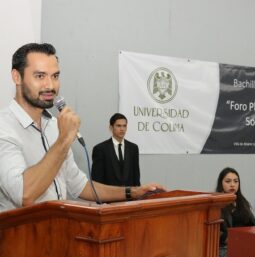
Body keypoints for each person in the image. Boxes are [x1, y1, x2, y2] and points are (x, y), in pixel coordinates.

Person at [0, 43, 164, 212]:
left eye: (55, 76)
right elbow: (24, 194)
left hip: (58, 233)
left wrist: (134, 192)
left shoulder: (54, 126)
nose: (50, 85)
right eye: (40, 76)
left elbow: (81, 186)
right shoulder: (4, 127)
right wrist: (63, 140)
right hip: (19, 237)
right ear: (16, 77)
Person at [216, 167, 255, 257]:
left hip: (244, 244)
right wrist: (231, 240)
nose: (232, 185)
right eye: (228, 181)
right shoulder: (216, 204)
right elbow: (215, 232)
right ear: (221, 183)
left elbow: (253, 225)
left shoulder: (242, 201)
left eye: (235, 181)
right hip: (224, 247)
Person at [91, 113, 140, 186]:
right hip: (109, 195)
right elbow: (97, 179)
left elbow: (136, 176)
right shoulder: (100, 149)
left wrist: (138, 194)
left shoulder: (133, 148)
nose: (122, 129)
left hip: (130, 195)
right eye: (118, 126)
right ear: (111, 127)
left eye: (124, 126)